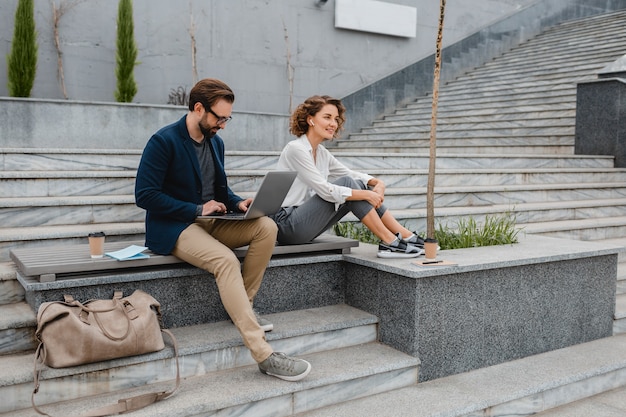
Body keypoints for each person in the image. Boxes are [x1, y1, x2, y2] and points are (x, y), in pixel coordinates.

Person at [135, 78, 311, 381]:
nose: (223, 125)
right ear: (199, 108)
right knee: (226, 260)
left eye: (228, 118)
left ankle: (245, 306)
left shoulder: (215, 142)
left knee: (266, 227)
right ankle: (264, 354)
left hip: (212, 220)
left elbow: (220, 189)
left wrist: (238, 202)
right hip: (177, 225)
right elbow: (145, 195)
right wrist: (195, 209)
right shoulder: (163, 141)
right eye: (219, 117)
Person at [270, 95, 424, 258]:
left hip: (305, 222)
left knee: (355, 184)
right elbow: (325, 190)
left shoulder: (322, 153)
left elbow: (349, 173)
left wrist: (377, 182)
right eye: (327, 117)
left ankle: (405, 236)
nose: (333, 124)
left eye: (336, 119)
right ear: (310, 120)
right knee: (349, 186)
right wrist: (367, 194)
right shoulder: (296, 149)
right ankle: (390, 241)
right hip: (286, 225)